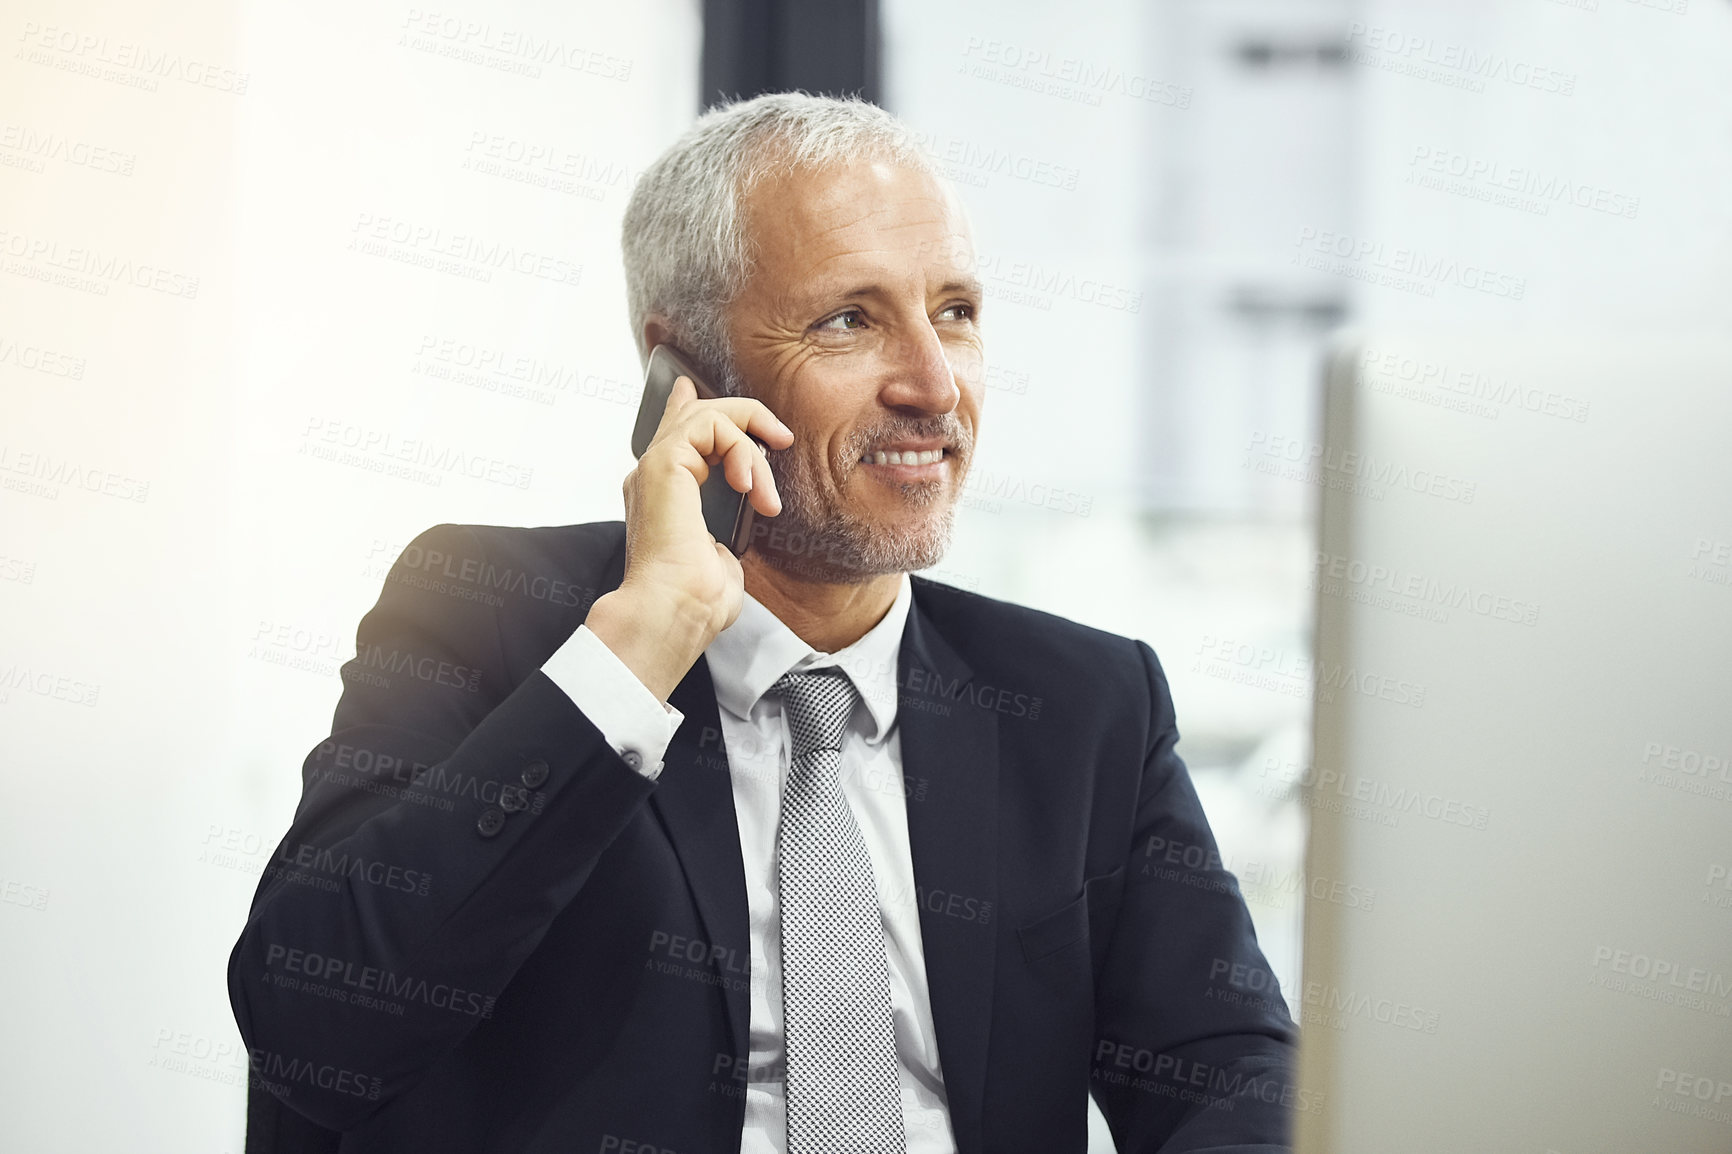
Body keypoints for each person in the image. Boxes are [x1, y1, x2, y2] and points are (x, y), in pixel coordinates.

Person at [228, 92, 1296, 1154]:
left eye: (956, 311)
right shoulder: (487, 610)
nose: (934, 385)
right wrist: (647, 636)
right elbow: (314, 1025)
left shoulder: (1084, 703)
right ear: (680, 368)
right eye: (850, 319)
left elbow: (1238, 1077)